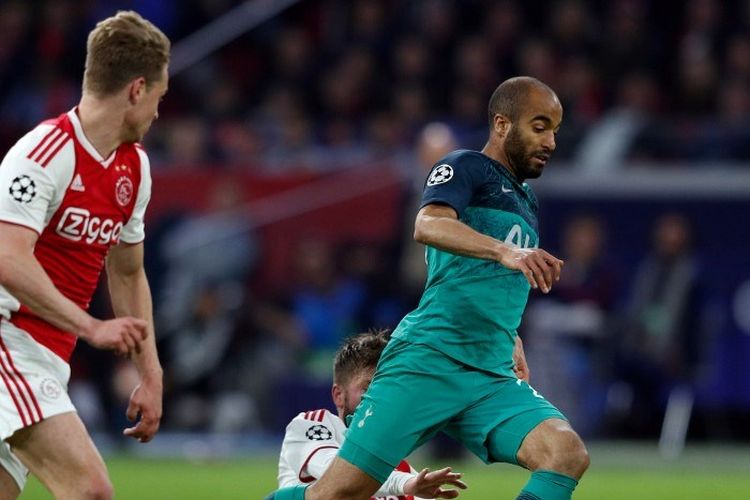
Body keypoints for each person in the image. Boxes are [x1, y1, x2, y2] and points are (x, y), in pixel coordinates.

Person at [267, 76, 590, 500]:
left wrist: (510, 335)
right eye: (540, 125)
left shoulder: (526, 199)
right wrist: (504, 252)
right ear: (502, 124)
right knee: (338, 494)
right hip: (429, 359)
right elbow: (429, 223)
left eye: (555, 130)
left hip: (489, 372)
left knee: (565, 453)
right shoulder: (464, 166)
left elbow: (483, 284)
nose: (550, 141)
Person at [0, 11, 169, 499]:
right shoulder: (43, 153)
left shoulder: (133, 167)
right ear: (137, 90)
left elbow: (128, 273)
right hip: (9, 338)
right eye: (159, 96)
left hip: (47, 356)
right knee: (91, 489)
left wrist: (150, 372)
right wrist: (91, 326)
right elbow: (8, 259)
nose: (158, 112)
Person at [278, 329, 467, 499]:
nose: (379, 399)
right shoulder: (311, 425)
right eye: (368, 387)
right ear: (339, 396)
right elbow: (339, 476)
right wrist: (406, 484)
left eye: (386, 389)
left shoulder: (399, 468)